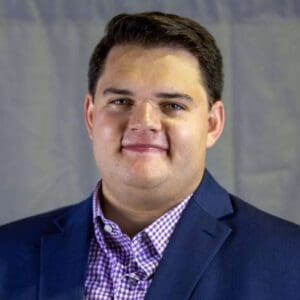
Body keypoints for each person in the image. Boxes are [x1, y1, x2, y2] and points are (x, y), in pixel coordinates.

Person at [1, 11, 300, 300]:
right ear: (91, 117)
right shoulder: (7, 253)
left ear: (212, 124)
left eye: (172, 105)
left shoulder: (290, 261)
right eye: (120, 101)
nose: (143, 122)